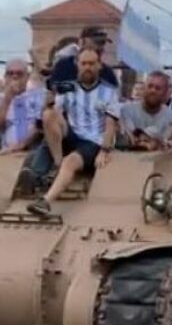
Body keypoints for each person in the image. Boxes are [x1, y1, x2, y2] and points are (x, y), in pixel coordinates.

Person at [27, 48, 120, 216]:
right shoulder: (68, 88)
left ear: (99, 66)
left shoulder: (109, 92)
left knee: (70, 162)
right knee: (48, 114)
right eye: (84, 63)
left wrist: (104, 150)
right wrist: (47, 104)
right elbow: (55, 114)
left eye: (92, 63)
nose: (88, 67)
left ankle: (46, 201)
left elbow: (110, 123)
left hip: (93, 142)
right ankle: (57, 163)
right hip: (72, 134)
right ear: (77, 65)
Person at [0, 59, 45, 151]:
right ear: (5, 77)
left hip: (33, 151)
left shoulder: (38, 95)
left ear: (27, 77)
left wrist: (22, 144)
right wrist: (8, 97)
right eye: (10, 73)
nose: (15, 77)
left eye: (19, 73)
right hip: (6, 153)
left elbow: (41, 125)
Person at [120, 71, 172, 149]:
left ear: (165, 93)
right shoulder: (126, 110)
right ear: (144, 88)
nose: (153, 91)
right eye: (150, 86)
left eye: (158, 88)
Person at [49, 26, 118, 89]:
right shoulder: (63, 66)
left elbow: (113, 95)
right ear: (81, 42)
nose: (100, 47)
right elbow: (54, 93)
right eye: (97, 42)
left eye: (103, 43)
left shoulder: (107, 72)